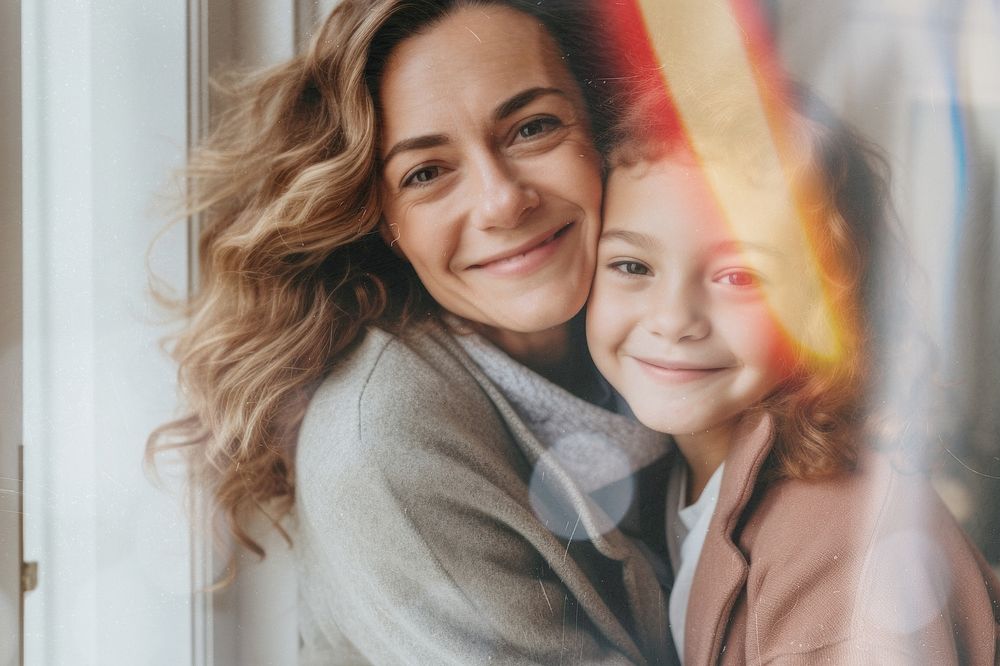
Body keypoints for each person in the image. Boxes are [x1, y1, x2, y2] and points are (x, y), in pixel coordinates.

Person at [149, 0, 677, 663]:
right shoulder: (386, 440)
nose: (501, 200)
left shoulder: (681, 340)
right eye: (426, 172)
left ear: (605, 131)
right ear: (381, 222)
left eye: (532, 127)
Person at [586, 84, 1000, 664]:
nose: (673, 319)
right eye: (633, 265)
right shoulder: (683, 471)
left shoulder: (840, 551)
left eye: (739, 277)